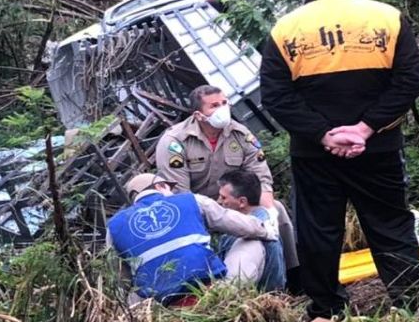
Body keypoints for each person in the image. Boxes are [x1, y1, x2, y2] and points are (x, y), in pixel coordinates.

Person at [259, 0, 419, 319]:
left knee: (318, 232)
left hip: (315, 155)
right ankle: (412, 305)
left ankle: (327, 311)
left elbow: (277, 97)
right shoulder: (388, 17)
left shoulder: (284, 30)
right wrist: (366, 128)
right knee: (391, 223)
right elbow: (411, 80)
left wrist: (324, 134)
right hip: (379, 148)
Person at [155, 85, 299, 282]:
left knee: (276, 211)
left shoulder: (239, 134)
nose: (222, 108)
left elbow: (261, 177)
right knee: (261, 232)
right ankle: (272, 288)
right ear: (199, 115)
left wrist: (268, 214)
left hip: (238, 205)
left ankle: (295, 274)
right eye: (214, 106)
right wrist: (220, 215)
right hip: (201, 214)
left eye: (224, 103)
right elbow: (182, 197)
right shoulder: (175, 142)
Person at [108, 173, 277, 304]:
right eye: (169, 188)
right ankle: (273, 297)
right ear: (160, 186)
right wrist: (267, 232)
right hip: (214, 295)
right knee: (253, 240)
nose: (173, 192)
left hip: (161, 308)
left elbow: (120, 280)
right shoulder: (192, 200)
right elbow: (242, 225)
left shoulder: (114, 227)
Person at [215, 169, 286, 292]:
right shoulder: (257, 222)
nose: (219, 201)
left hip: (251, 301)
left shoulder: (251, 235)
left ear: (242, 202)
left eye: (223, 197)